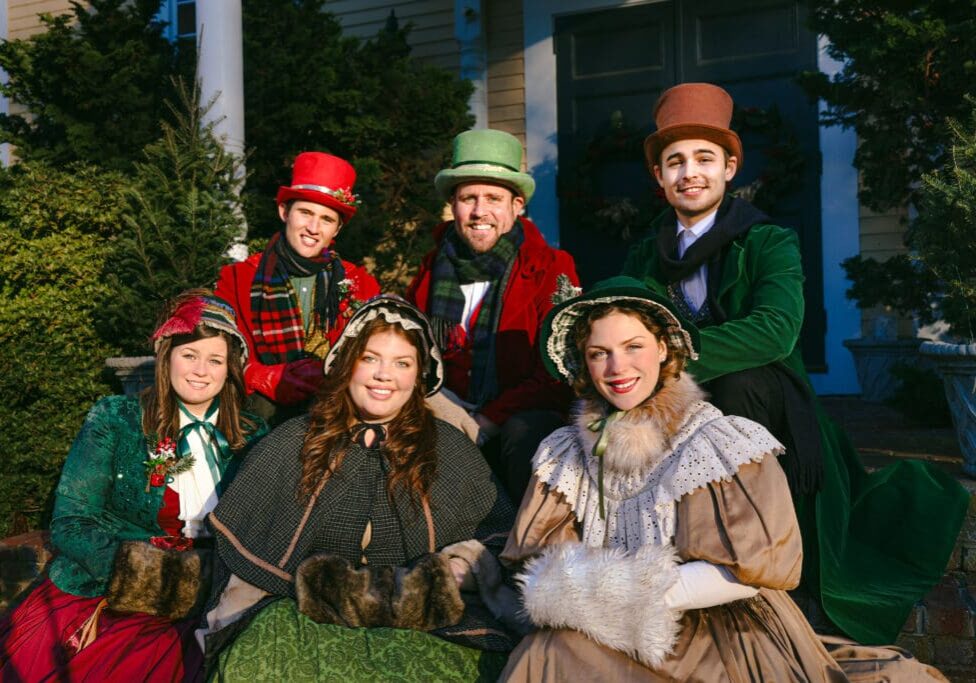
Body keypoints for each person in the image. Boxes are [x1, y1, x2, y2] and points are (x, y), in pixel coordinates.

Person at [621, 82, 968, 644]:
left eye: (705, 159)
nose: (690, 172)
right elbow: (621, 319)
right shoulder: (645, 254)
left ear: (729, 167)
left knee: (739, 381)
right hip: (677, 406)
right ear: (659, 178)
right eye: (675, 161)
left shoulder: (767, 241)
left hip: (767, 401)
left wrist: (664, 361)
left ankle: (770, 554)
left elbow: (775, 331)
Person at [499, 276, 948, 682]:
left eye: (633, 347)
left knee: (559, 654)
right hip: (606, 625)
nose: (618, 367)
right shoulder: (565, 453)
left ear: (663, 348)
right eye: (600, 354)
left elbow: (753, 570)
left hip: (722, 627)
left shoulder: (715, 444)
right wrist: (580, 595)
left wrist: (630, 592)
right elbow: (544, 557)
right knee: (545, 651)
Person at [199, 296, 519, 681]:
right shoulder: (295, 440)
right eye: (370, 358)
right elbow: (246, 549)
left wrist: (461, 565)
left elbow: (498, 534)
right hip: (300, 613)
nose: (385, 375)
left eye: (402, 363)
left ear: (419, 376)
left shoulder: (449, 448)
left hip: (425, 626)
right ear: (347, 363)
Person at [0, 290, 267, 681]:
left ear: (230, 369)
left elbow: (265, 529)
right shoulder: (117, 419)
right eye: (189, 355)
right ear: (167, 356)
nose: (200, 371)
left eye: (215, 360)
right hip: (117, 592)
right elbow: (72, 522)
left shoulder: (252, 435)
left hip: (214, 591)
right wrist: (145, 578)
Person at [406, 128, 580, 501]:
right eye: (468, 197)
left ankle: (524, 546)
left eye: (493, 198)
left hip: (519, 415)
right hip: (445, 408)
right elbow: (410, 351)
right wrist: (441, 407)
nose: (479, 211)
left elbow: (557, 369)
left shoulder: (551, 267)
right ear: (453, 205)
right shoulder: (430, 269)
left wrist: (487, 420)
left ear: (517, 206)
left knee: (526, 430)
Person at [216, 151, 380, 426]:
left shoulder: (362, 283)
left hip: (337, 412)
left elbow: (375, 355)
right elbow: (218, 349)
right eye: (305, 212)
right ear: (284, 212)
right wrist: (262, 376)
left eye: (327, 219)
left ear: (337, 229)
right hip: (260, 412)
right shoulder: (237, 278)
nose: (313, 228)